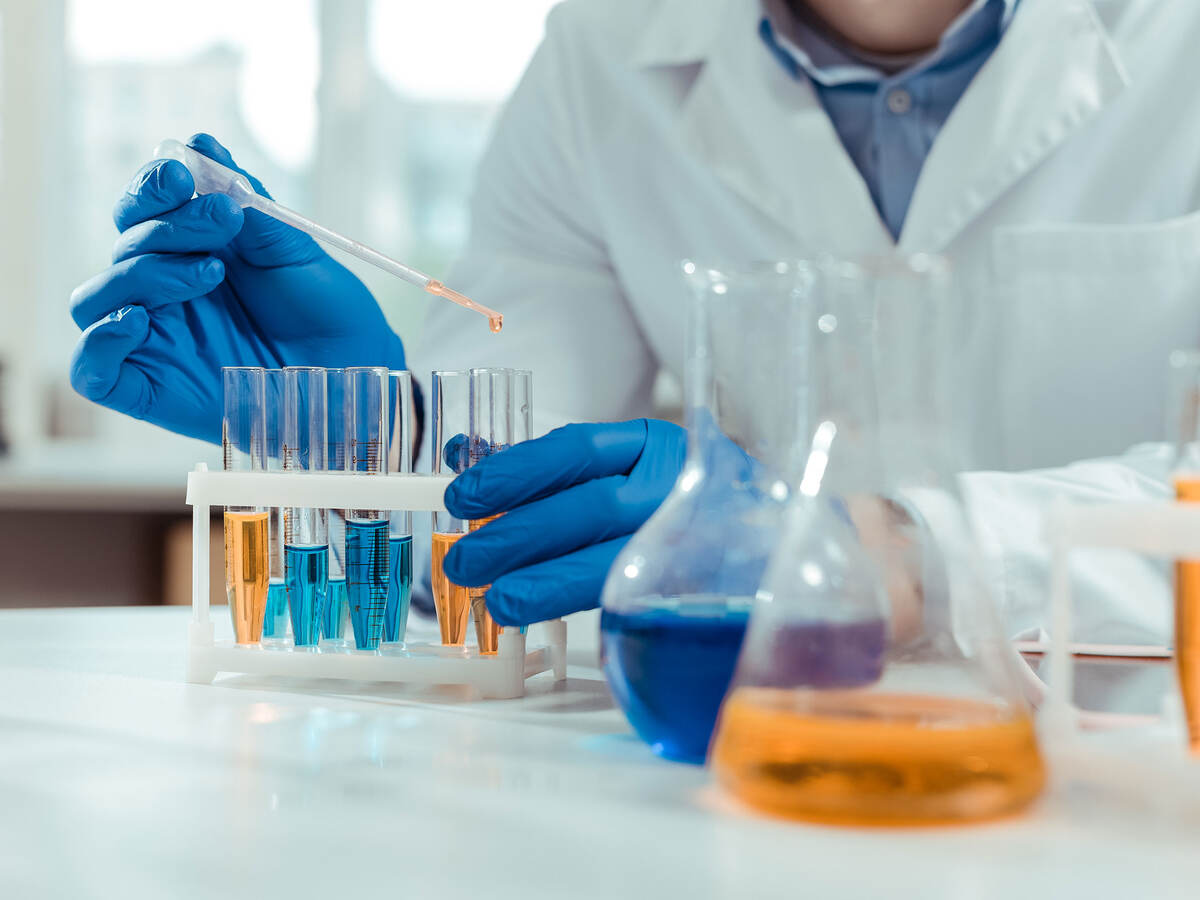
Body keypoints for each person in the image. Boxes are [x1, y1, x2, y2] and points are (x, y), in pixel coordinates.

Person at [69, 0, 1200, 644]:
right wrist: (385, 443)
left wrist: (888, 556)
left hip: (1138, 783)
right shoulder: (602, 53)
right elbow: (524, 426)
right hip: (726, 767)